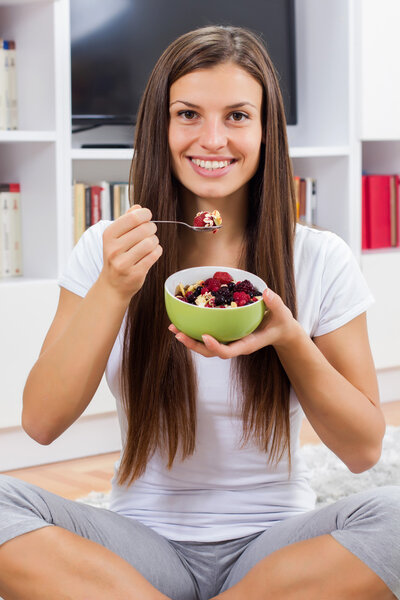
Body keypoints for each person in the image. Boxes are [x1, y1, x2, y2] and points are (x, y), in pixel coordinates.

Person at [0, 25, 399, 600]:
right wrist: (113, 289)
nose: (212, 139)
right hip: (139, 551)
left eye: (238, 116)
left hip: (273, 548)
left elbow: (363, 452)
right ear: (160, 126)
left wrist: (289, 339)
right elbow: (40, 422)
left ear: (265, 131)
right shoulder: (106, 250)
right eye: (188, 114)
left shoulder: (317, 257)